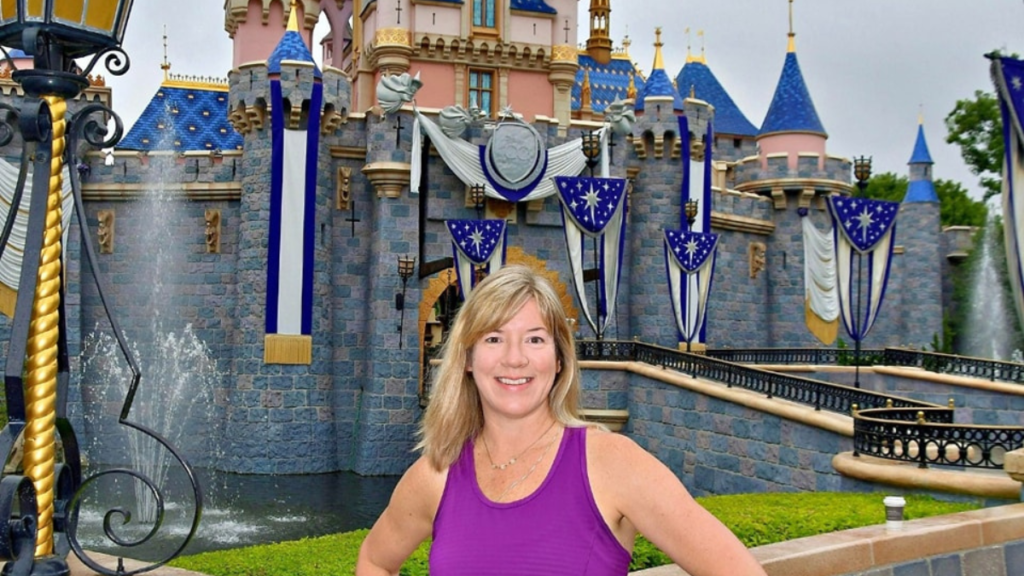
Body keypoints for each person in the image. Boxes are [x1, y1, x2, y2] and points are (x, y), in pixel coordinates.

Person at [356, 265, 767, 575]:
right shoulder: (436, 474)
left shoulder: (613, 464)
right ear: (467, 358)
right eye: (494, 338)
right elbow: (374, 560)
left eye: (535, 339)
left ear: (558, 360)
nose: (514, 358)